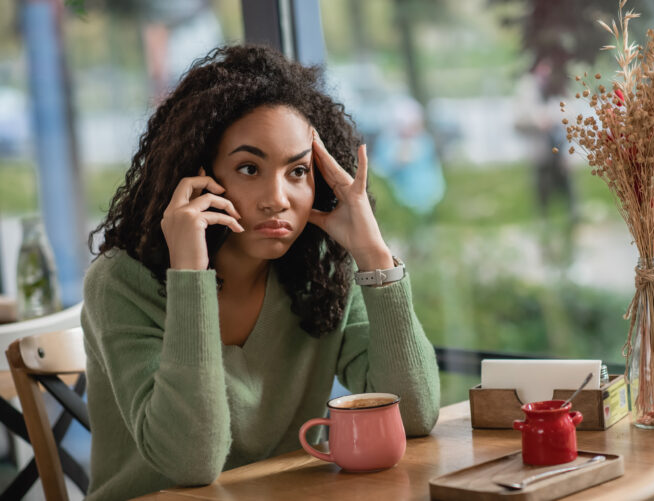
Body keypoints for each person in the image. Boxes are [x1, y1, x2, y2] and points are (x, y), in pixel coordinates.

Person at [82, 45, 440, 501]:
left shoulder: (322, 272)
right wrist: (189, 276)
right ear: (198, 174)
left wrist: (373, 255)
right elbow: (191, 463)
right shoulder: (122, 282)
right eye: (249, 168)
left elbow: (413, 412)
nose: (278, 198)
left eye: (297, 171)